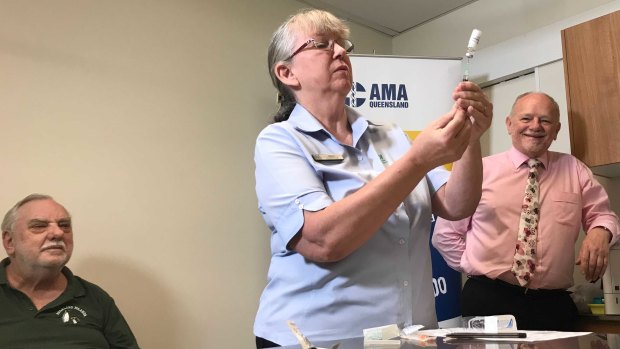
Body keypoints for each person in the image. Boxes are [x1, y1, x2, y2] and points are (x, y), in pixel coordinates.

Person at [253, 8, 493, 348]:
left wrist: (471, 138)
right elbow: (324, 241)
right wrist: (416, 161)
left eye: (342, 45)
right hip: (316, 340)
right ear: (286, 72)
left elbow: (457, 204)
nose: (339, 52)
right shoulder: (280, 141)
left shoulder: (391, 136)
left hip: (408, 337)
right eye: (322, 44)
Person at [432, 92, 620, 331]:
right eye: (526, 118)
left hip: (553, 305)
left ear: (556, 129)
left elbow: (604, 215)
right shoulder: (479, 170)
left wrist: (600, 232)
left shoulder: (575, 169)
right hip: (488, 301)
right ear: (509, 125)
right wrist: (476, 265)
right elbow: (444, 235)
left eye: (545, 120)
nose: (535, 126)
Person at [0, 194, 140, 348]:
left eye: (64, 225)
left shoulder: (95, 298)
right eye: (39, 226)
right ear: (10, 242)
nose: (58, 233)